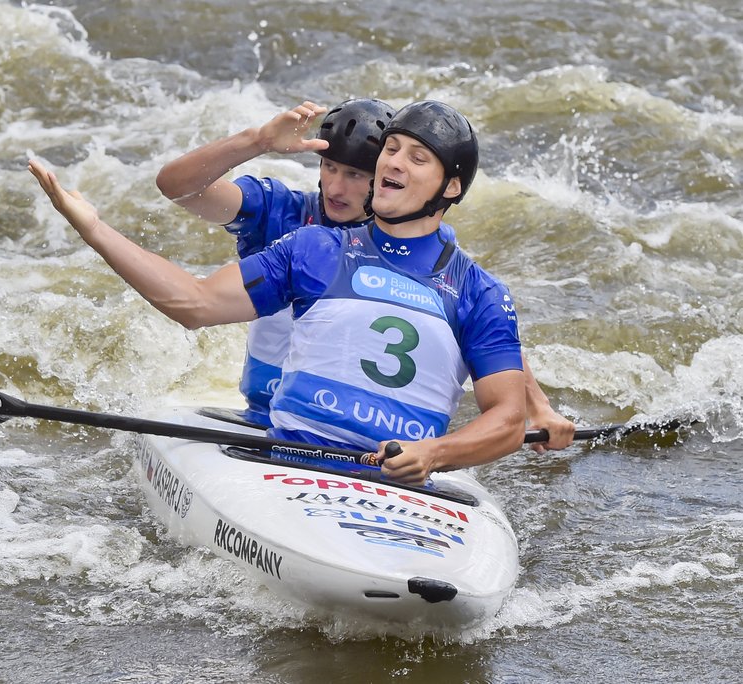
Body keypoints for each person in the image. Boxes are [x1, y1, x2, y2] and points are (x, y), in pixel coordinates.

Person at [29, 100, 550, 485]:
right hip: (293, 453)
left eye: (416, 158)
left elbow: (503, 410)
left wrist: (436, 454)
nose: (392, 164)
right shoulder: (312, 245)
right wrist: (95, 229)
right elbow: (196, 303)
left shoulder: (475, 286)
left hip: (401, 475)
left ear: (450, 188)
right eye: (391, 150)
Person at [155, 98, 574, 452]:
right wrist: (257, 141)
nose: (336, 189)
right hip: (271, 417)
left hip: (369, 440)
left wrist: (536, 405)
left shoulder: (421, 242)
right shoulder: (277, 212)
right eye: (330, 167)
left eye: (355, 175)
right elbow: (178, 186)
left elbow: (479, 326)